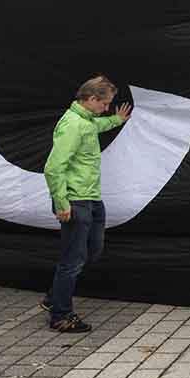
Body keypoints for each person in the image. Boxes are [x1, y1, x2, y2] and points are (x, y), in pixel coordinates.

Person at [41, 76, 131, 333]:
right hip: (75, 201)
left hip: (91, 198)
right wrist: (62, 203)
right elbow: (53, 168)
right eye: (105, 104)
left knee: (92, 250)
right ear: (91, 99)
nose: (106, 108)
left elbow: (96, 126)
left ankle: (54, 297)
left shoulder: (86, 121)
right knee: (73, 259)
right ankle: (60, 315)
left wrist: (116, 120)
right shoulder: (72, 125)